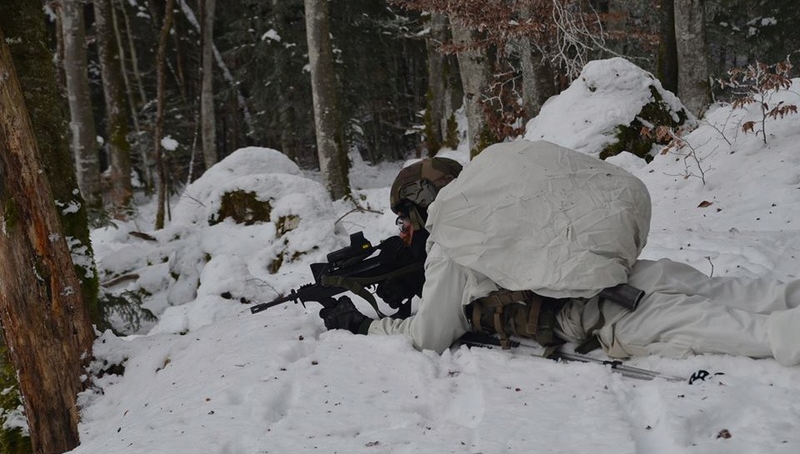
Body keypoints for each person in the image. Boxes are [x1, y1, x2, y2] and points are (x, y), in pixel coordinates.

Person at [320, 140, 800, 366]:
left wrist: (368, 326)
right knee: (716, 288)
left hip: (587, 311)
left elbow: (431, 335)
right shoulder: (496, 191)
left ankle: (788, 334)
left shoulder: (452, 235)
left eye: (407, 217)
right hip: (628, 270)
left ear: (423, 202)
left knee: (695, 321)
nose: (410, 228)